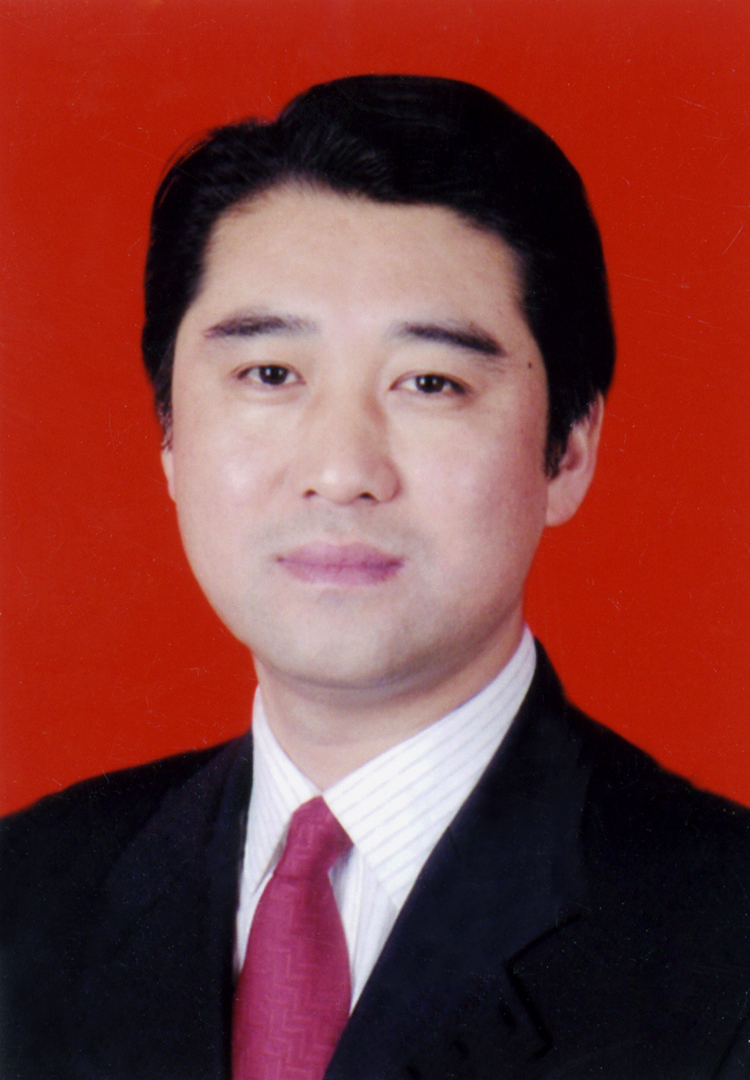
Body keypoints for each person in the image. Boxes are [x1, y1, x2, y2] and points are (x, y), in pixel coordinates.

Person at [2, 75, 749, 1080]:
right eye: (271, 375)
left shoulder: (724, 941)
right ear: (169, 434)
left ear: (569, 448)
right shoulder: (28, 893)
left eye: (430, 382)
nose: (342, 470)